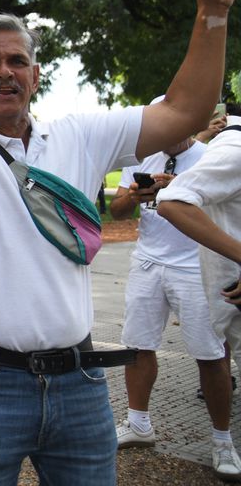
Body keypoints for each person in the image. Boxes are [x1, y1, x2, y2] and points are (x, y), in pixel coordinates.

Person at [0, 0, 238, 485]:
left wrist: (212, 14)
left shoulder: (81, 133)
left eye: (17, 60)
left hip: (80, 382)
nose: (4, 71)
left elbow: (185, 110)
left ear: (36, 76)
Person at [108, 124, 236, 477]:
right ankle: (139, 424)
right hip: (148, 262)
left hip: (195, 265)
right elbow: (117, 211)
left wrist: (176, 192)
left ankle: (223, 440)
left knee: (210, 354)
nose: (168, 134)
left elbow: (223, 213)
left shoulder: (210, 158)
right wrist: (134, 196)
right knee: (136, 346)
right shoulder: (145, 156)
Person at [155, 115, 241, 479]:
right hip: (209, 284)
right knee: (212, 353)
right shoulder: (234, 151)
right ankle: (222, 441)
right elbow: (172, 201)